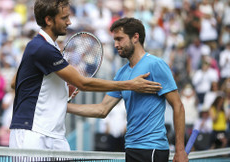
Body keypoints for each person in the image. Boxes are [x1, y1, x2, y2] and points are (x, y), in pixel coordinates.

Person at [9, 0, 162, 151]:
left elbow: (15, 83)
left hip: (53, 134)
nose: (69, 22)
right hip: (32, 132)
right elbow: (84, 83)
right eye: (64, 18)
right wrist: (130, 85)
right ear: (48, 20)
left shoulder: (45, 47)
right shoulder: (41, 48)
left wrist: (55, 95)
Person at [67, 17, 188, 162]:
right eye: (115, 40)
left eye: (120, 39)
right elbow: (101, 109)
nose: (116, 44)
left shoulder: (156, 64)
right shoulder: (121, 73)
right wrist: (65, 107)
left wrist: (180, 150)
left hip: (152, 148)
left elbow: (178, 106)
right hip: (130, 147)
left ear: (135, 37)